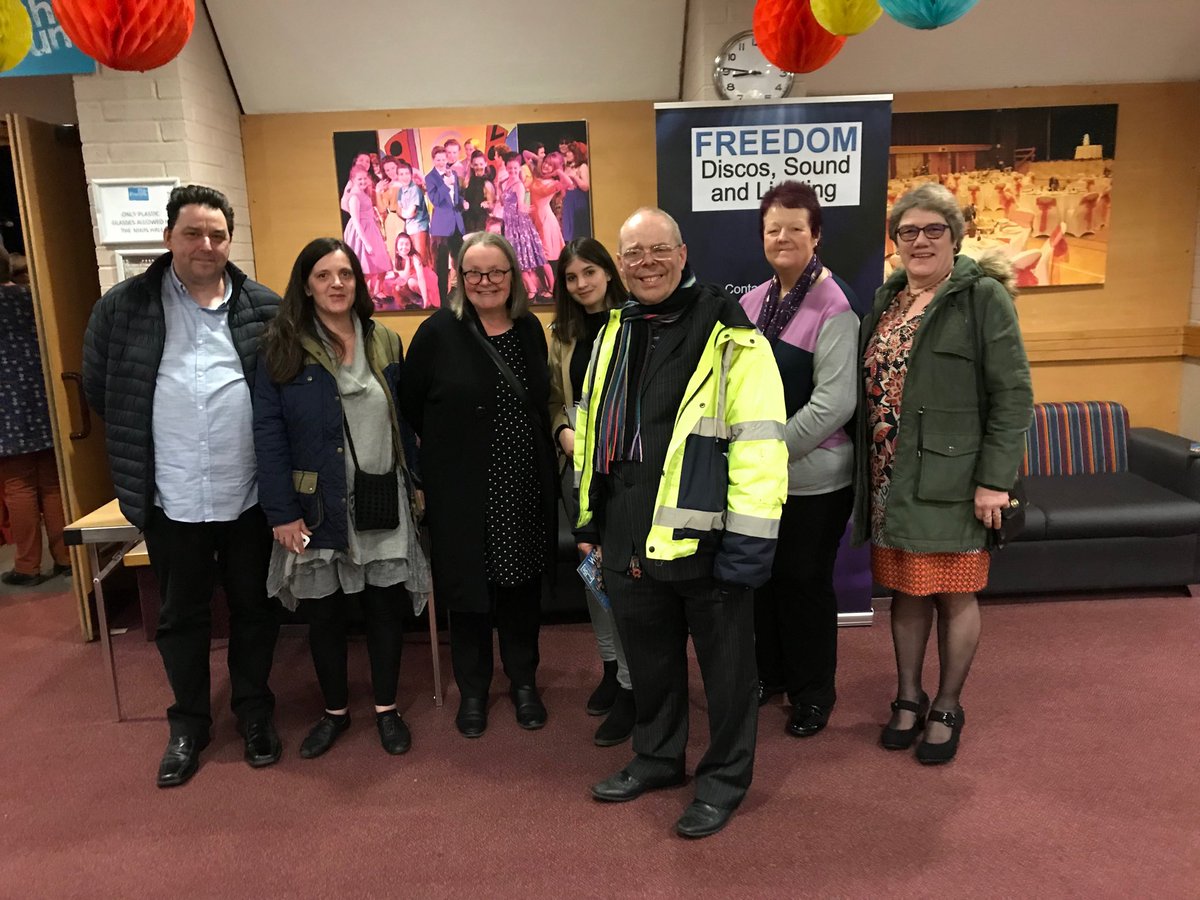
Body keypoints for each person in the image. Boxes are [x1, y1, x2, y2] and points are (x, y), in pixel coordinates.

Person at [574, 208, 787, 839]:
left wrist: (748, 546)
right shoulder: (614, 330)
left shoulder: (731, 334)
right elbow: (592, 429)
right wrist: (590, 516)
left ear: (683, 253)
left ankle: (723, 781)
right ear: (620, 264)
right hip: (626, 529)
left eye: (658, 250)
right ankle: (659, 757)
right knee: (651, 660)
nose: (646, 264)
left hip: (708, 536)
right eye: (633, 254)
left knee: (727, 673)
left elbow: (760, 446)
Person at [82, 185, 282, 788]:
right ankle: (189, 725)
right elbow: (102, 389)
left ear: (230, 241)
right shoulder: (123, 308)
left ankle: (254, 713)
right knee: (181, 618)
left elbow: (280, 393)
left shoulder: (263, 307)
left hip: (248, 496)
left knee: (255, 610)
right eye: (193, 233)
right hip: (171, 497)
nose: (206, 245)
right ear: (169, 237)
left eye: (217, 235)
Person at [853, 183, 1032, 765]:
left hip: (956, 479)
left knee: (954, 592)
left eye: (934, 229)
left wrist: (994, 481)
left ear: (955, 236)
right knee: (906, 590)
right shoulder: (887, 300)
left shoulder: (982, 298)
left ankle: (948, 704)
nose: (921, 241)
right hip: (890, 478)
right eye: (909, 231)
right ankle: (908, 696)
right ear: (896, 240)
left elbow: (1012, 395)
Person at [253, 237, 432, 759]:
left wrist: (417, 481)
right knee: (324, 613)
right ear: (306, 286)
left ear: (358, 281)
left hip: (382, 496)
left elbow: (404, 420)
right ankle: (334, 712)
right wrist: (282, 512)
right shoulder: (283, 347)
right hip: (315, 505)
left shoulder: (384, 340)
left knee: (383, 607)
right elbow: (268, 433)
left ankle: (386, 709)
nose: (337, 284)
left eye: (346, 274)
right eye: (324, 275)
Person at [401, 231, 556, 739]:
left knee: (520, 592)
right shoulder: (437, 332)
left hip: (521, 488)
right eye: (474, 273)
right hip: (462, 492)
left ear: (512, 276)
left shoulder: (529, 329)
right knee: (468, 595)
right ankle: (473, 691)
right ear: (460, 278)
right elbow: (410, 404)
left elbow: (540, 399)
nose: (485, 282)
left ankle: (524, 682)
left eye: (495, 272)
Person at [739, 182, 858, 738]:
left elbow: (834, 403)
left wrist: (768, 450)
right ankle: (772, 674)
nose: (782, 237)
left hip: (814, 479)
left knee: (804, 584)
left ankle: (813, 694)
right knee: (762, 581)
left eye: (794, 228)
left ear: (816, 235)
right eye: (772, 229)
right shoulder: (752, 302)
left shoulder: (834, 305)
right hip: (759, 480)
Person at [547, 238, 633, 746]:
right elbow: (554, 399)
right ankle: (610, 667)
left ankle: (633, 682)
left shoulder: (638, 321)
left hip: (625, 471)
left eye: (589, 273)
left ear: (609, 272)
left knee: (625, 575)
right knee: (591, 570)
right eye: (571, 277)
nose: (581, 284)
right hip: (577, 470)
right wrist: (563, 432)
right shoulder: (561, 334)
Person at [0, 247, 71, 586]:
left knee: (18, 486)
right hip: (44, 398)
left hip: (6, 407)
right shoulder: (31, 297)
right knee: (53, 482)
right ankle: (66, 557)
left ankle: (28, 565)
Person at [498, 152, 552, 299]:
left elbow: (521, 205)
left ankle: (540, 288)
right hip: (510, 225)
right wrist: (499, 186)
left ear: (519, 168)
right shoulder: (505, 183)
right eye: (510, 168)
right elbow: (502, 203)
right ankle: (532, 288)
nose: (513, 171)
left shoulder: (519, 185)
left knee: (522, 258)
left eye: (515, 168)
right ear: (506, 168)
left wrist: (525, 208)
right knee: (515, 259)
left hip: (519, 226)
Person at [426, 145, 467, 303]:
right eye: (438, 160)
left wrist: (462, 202)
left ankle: (463, 294)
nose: (441, 162)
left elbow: (455, 196)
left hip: (456, 223)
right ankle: (443, 300)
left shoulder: (453, 173)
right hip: (441, 227)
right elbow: (435, 200)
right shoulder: (430, 178)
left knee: (461, 260)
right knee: (442, 265)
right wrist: (445, 184)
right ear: (433, 160)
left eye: (443, 159)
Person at [342, 165, 391, 297]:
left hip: (371, 229)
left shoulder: (364, 193)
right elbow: (356, 221)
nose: (363, 181)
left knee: (381, 263)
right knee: (365, 267)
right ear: (353, 180)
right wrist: (366, 243)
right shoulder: (354, 197)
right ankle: (361, 295)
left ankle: (375, 292)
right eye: (359, 179)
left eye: (365, 178)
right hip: (361, 233)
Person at [394, 160, 431, 268]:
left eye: (407, 173)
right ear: (397, 176)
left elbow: (411, 213)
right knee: (411, 259)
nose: (404, 177)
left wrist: (404, 212)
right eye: (401, 174)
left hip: (419, 227)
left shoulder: (414, 189)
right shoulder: (401, 191)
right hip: (409, 228)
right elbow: (399, 210)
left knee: (420, 259)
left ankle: (426, 278)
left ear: (411, 175)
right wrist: (403, 212)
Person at [560, 142, 592, 243]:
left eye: (570, 152)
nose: (567, 154)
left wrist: (575, 177)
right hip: (568, 199)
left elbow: (586, 187)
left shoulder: (582, 166)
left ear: (576, 153)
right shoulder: (566, 167)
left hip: (577, 199)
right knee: (568, 231)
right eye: (567, 152)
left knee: (578, 229)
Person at [462, 151, 496, 235]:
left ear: (485, 164)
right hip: (468, 221)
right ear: (471, 165)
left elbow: (492, 207)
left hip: (481, 222)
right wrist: (463, 203)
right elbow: (463, 198)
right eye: (476, 165)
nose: (479, 167)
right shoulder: (467, 181)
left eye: (481, 164)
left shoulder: (487, 183)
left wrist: (488, 205)